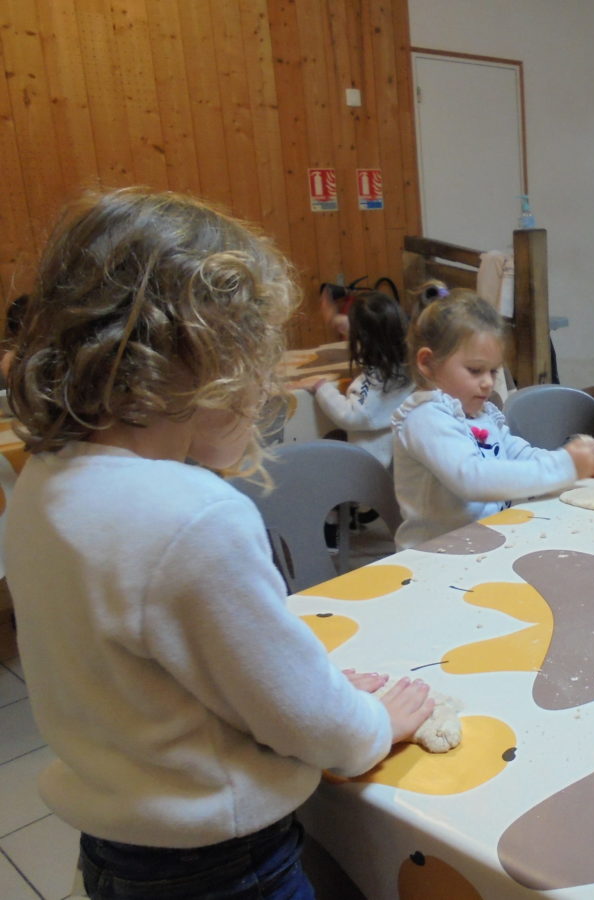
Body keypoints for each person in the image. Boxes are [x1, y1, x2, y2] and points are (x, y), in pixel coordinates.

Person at [4, 188, 435, 900]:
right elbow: (304, 721)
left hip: (115, 850)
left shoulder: (45, 482)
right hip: (223, 868)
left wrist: (314, 688)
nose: (264, 389)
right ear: (197, 360)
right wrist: (369, 723)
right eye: (256, 363)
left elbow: (177, 676)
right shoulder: (193, 515)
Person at [393, 290, 594, 549]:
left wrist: (591, 465)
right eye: (475, 370)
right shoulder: (426, 417)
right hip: (431, 556)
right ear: (427, 363)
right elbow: (472, 478)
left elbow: (522, 456)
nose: (488, 383)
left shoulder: (481, 413)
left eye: (493, 371)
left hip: (482, 543)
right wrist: (566, 465)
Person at [304, 289, 414, 468]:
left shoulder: (375, 380)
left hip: (372, 468)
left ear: (363, 340)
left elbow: (352, 415)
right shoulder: (406, 369)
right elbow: (376, 328)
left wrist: (322, 387)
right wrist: (337, 320)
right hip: (394, 464)